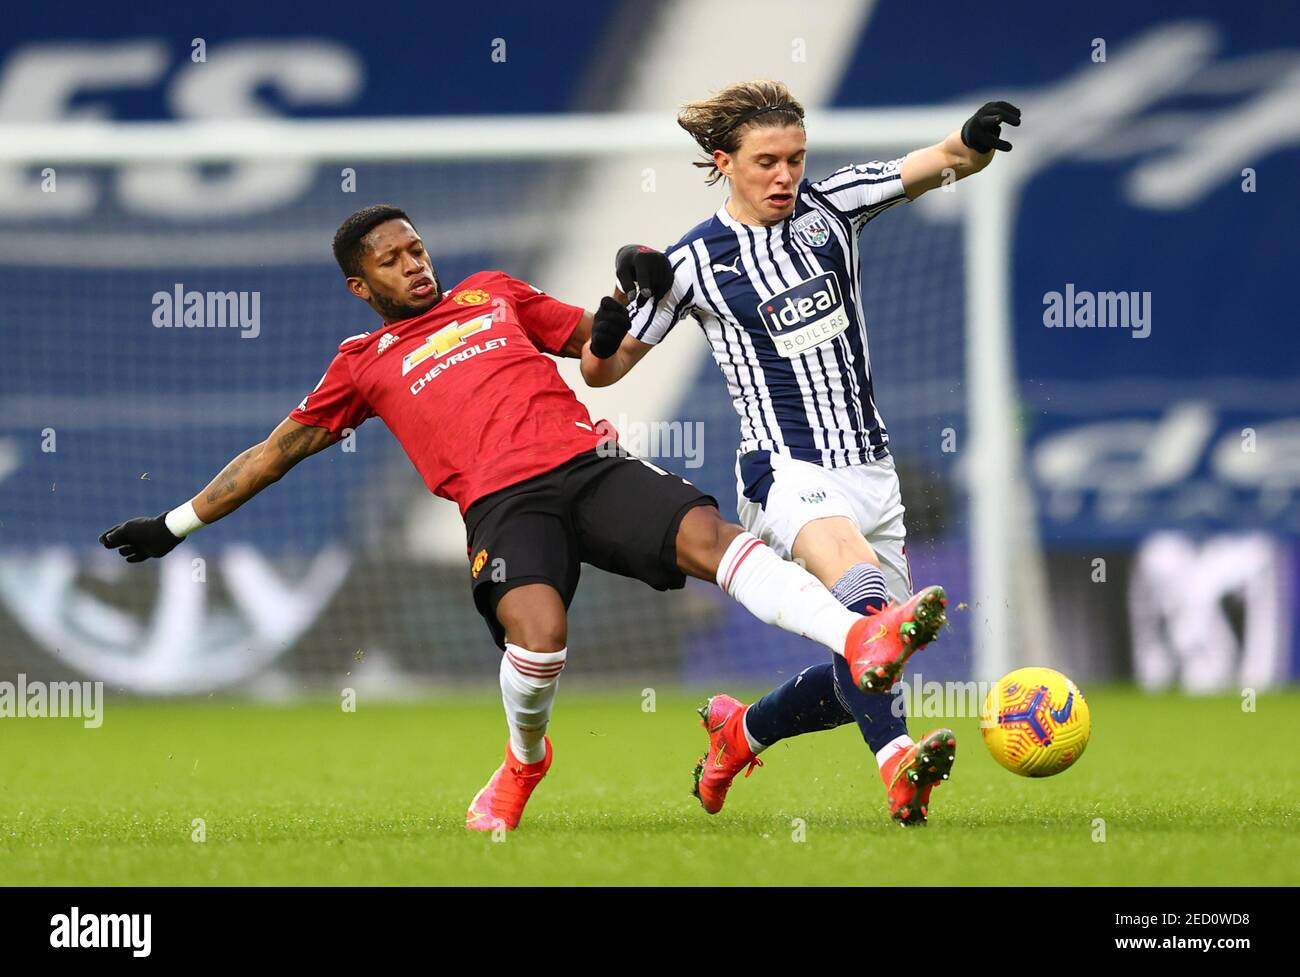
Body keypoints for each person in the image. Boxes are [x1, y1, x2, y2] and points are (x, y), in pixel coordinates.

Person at [100, 204, 944, 832]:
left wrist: (614, 317)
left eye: (417, 247)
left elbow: (594, 349)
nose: (415, 264)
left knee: (709, 539)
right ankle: (523, 762)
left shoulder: (491, 295)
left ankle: (858, 637)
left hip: (590, 464)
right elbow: (275, 451)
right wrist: (173, 525)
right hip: (503, 506)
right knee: (538, 636)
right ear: (361, 286)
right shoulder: (361, 364)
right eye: (392, 261)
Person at [583, 80, 1020, 825]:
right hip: (785, 469)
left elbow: (945, 159)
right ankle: (898, 767)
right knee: (873, 617)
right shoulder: (690, 262)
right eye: (765, 162)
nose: (784, 175)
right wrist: (611, 315)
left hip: (871, 469)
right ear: (724, 162)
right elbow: (603, 368)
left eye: (795, 158)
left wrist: (974, 141)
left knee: (869, 657)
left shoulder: (834, 204)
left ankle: (741, 731)